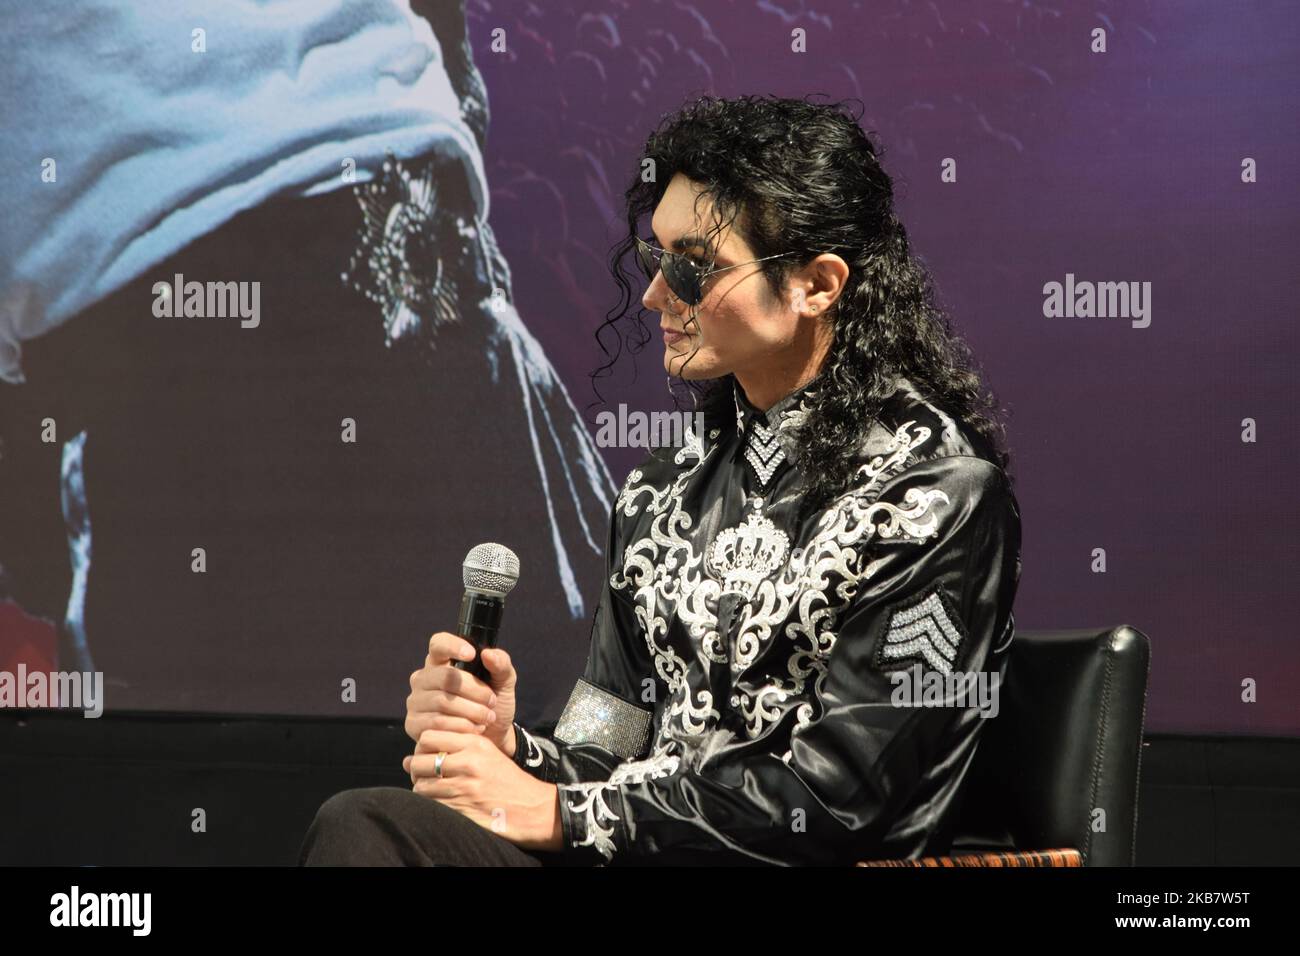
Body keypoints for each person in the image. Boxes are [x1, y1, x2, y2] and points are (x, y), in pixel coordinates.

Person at [299, 93, 1021, 867]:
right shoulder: (661, 486)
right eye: (657, 257)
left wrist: (562, 815)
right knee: (369, 823)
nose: (654, 294)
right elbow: (604, 743)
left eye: (695, 267)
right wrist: (511, 747)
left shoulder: (936, 494)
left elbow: (836, 800)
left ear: (818, 283)